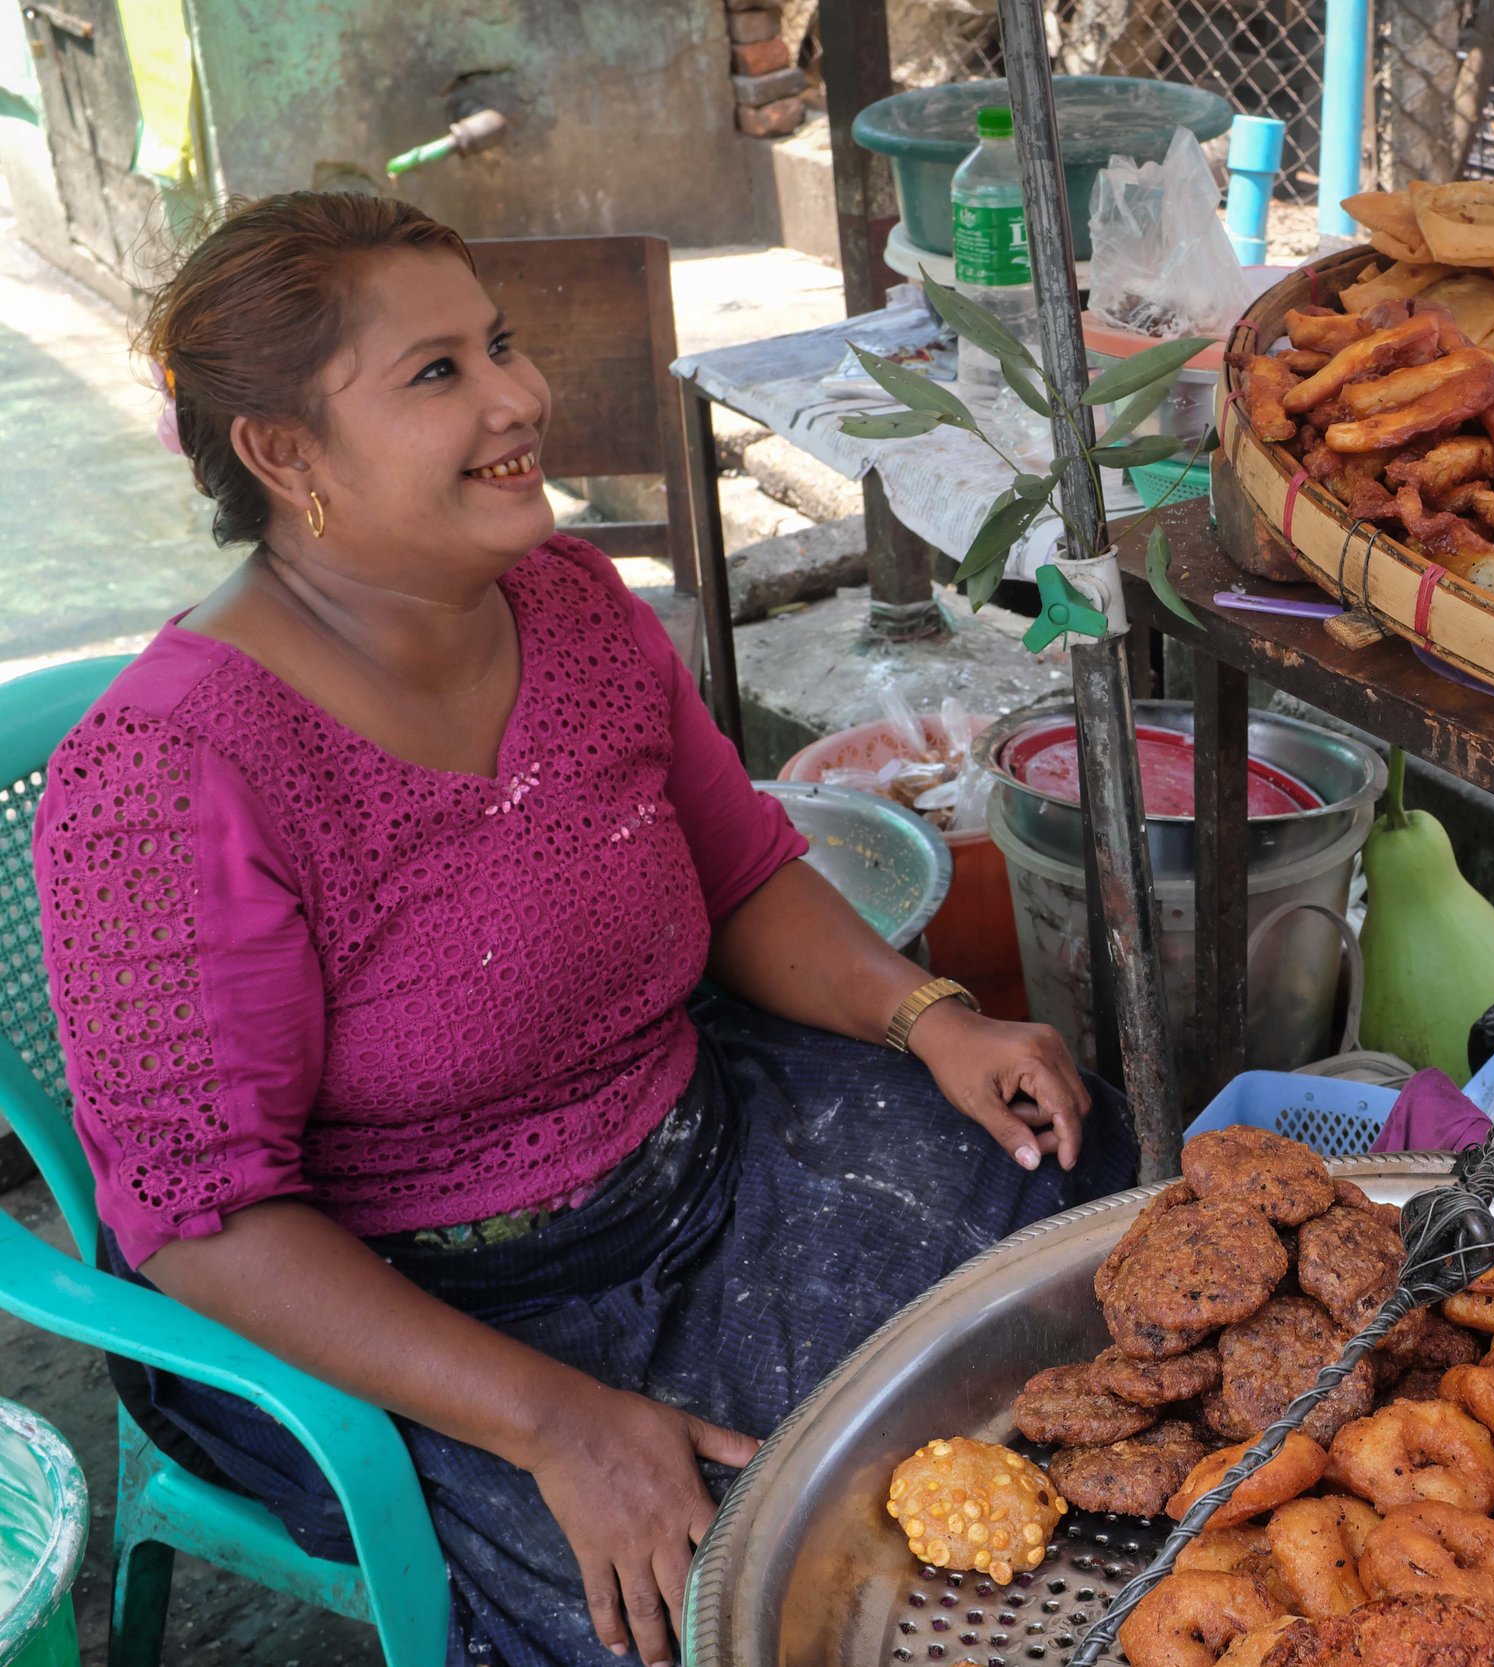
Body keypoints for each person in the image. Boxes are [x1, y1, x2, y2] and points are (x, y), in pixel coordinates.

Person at [32, 192, 1135, 1667]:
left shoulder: (571, 603)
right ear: (285, 454)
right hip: (417, 1317)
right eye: (438, 375)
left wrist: (928, 1018)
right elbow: (207, 1222)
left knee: (1097, 1238)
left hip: (696, 1160)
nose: (519, 397)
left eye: (499, 344)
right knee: (729, 1607)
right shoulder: (169, 778)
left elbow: (741, 877)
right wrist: (557, 1425)